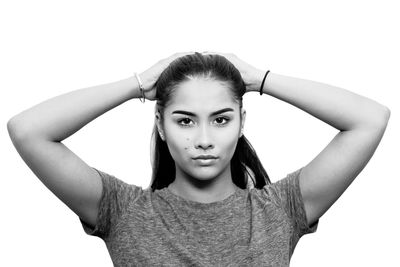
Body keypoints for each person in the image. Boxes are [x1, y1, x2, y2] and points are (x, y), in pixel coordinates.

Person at [7, 51, 390, 266]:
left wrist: (261, 78)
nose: (204, 140)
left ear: (241, 122)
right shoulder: (123, 211)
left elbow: (370, 120)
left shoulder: (280, 210)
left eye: (221, 119)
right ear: (160, 123)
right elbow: (28, 130)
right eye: (185, 121)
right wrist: (137, 85)